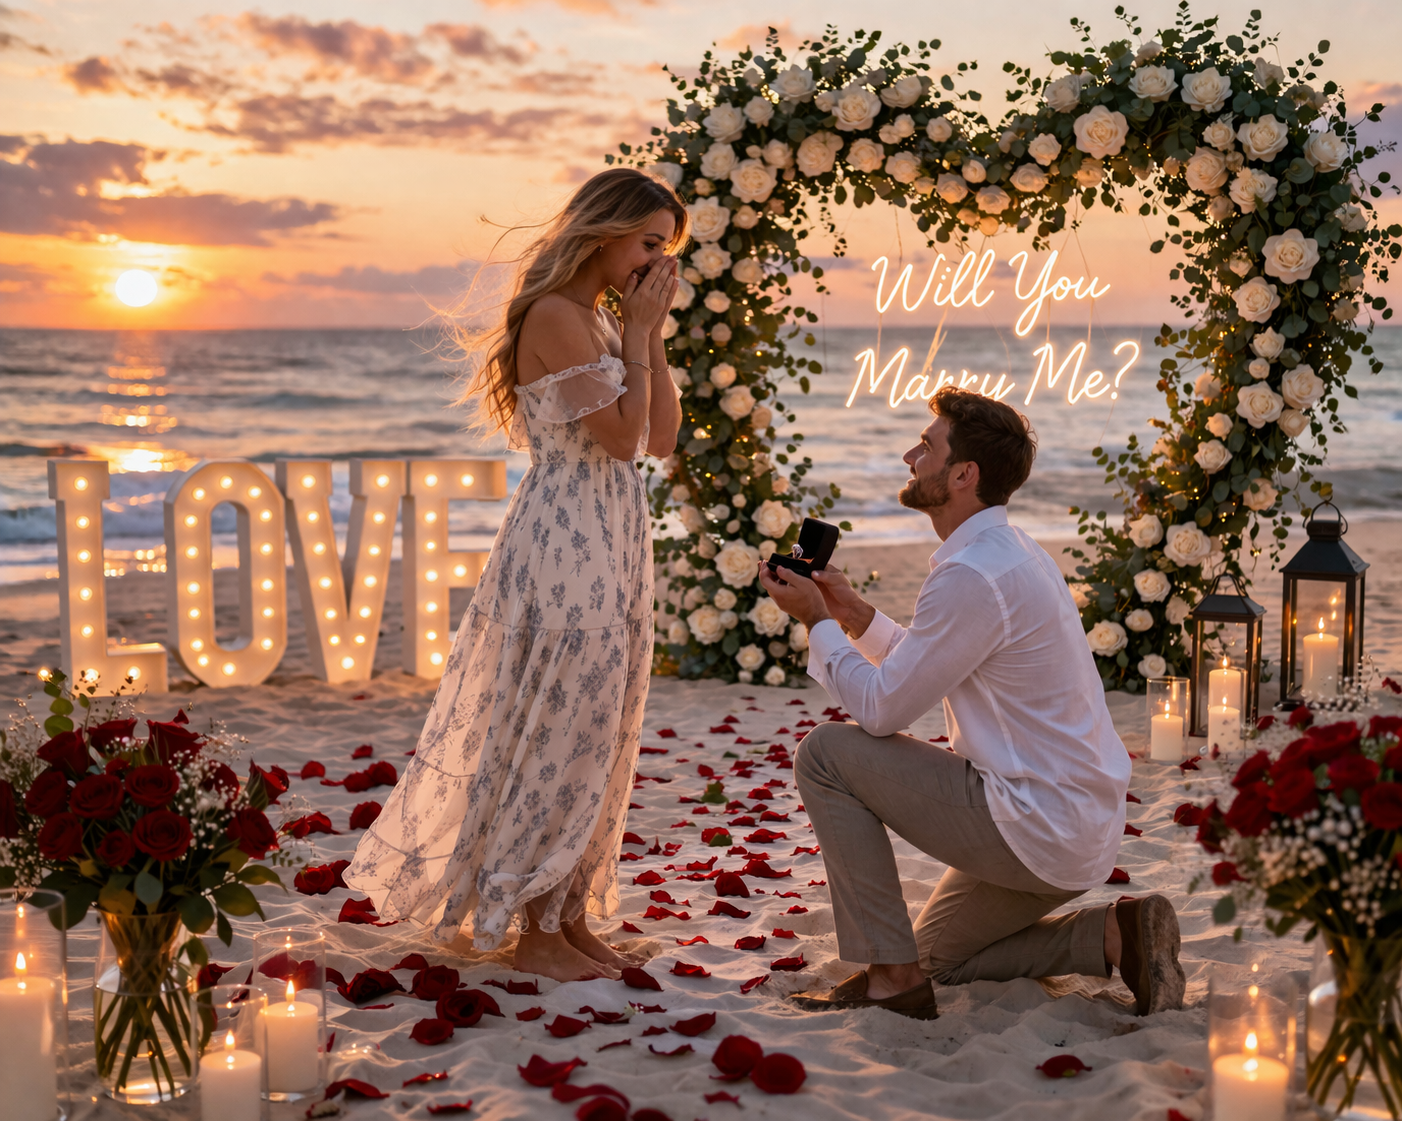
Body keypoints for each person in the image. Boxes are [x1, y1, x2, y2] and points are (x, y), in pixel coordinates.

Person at [345, 168, 688, 982]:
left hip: (615, 535)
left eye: (665, 250)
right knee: (561, 727)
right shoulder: (556, 316)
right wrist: (635, 339)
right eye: (648, 244)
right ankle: (532, 927)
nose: (655, 263)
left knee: (602, 726)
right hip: (567, 540)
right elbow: (617, 439)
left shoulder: (608, 323)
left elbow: (664, 437)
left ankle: (565, 916)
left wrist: (652, 333)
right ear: (602, 231)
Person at [757, 386, 1185, 1019]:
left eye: (926, 446)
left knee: (826, 753)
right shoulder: (1012, 553)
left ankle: (889, 980)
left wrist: (815, 620)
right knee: (937, 960)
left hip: (1033, 821)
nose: (910, 455)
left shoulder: (970, 575)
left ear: (964, 474)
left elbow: (880, 711)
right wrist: (850, 614)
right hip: (1075, 826)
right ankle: (1113, 935)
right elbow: (923, 664)